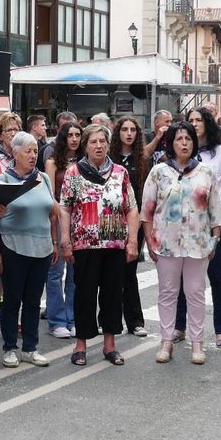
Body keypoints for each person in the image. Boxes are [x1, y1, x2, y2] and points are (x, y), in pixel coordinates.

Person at [143, 120, 221, 365]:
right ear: (171, 143)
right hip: (166, 242)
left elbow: (215, 211)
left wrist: (215, 239)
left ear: (194, 142)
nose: (184, 143)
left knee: (195, 293)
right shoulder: (159, 171)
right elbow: (147, 209)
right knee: (167, 292)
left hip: (198, 244)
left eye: (188, 138)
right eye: (179, 139)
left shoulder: (206, 172)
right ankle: (166, 340)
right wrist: (148, 238)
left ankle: (197, 343)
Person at [61, 125, 139, 366]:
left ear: (108, 144)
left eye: (102, 141)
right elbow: (64, 206)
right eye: (93, 141)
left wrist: (133, 241)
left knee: (113, 295)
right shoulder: (74, 172)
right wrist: (65, 240)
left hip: (114, 243)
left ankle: (110, 345)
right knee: (84, 294)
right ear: (85, 145)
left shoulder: (120, 172)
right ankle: (81, 345)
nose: (98, 146)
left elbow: (131, 207)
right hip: (85, 243)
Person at [0, 132, 60, 368]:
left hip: (41, 245)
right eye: (28, 151)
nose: (33, 155)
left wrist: (53, 242)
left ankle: (30, 348)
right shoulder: (4, 179)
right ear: (15, 153)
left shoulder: (43, 178)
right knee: (12, 299)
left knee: (33, 300)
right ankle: (10, 347)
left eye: (35, 151)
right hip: (13, 245)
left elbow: (51, 212)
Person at [175, 107, 221, 348]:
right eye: (190, 120)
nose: (194, 123)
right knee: (183, 277)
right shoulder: (182, 150)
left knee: (216, 277)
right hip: (187, 226)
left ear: (207, 123)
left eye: (198, 120)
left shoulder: (220, 151)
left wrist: (220, 221)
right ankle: (180, 327)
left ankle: (220, 330)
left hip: (214, 224)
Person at [43, 121, 83, 339]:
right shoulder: (52, 161)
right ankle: (57, 320)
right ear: (63, 138)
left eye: (78, 135)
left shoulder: (85, 161)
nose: (74, 139)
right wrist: (62, 213)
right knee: (55, 271)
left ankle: (73, 317)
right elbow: (49, 194)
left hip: (81, 219)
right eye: (70, 135)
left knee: (76, 273)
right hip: (57, 217)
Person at [113, 116, 148, 337]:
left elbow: (146, 191)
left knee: (130, 271)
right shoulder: (110, 157)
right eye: (124, 129)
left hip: (136, 219)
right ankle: (109, 320)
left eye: (132, 130)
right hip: (112, 221)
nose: (128, 133)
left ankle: (135, 321)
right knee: (111, 273)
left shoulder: (143, 159)